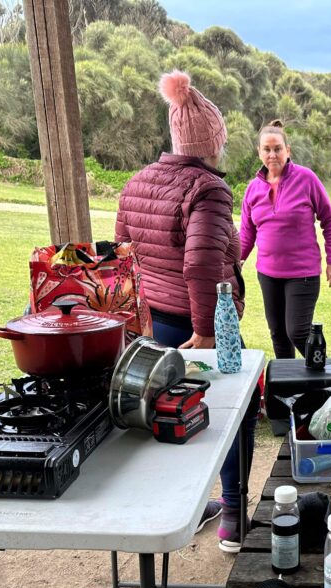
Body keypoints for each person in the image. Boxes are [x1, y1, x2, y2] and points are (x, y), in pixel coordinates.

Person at [115, 69, 256, 553]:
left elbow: (121, 257)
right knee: (230, 414)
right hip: (202, 322)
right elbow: (199, 265)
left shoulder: (136, 183)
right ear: (211, 141)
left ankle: (176, 510)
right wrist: (206, 330)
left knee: (165, 415)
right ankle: (233, 516)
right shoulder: (209, 189)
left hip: (151, 325)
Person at [240, 121, 331, 359]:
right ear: (259, 152)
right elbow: (246, 232)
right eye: (267, 149)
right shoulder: (253, 189)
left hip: (302, 273)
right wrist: (238, 260)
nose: (272, 154)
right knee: (278, 334)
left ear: (288, 150)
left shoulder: (306, 179)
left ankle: (323, 375)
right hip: (267, 274)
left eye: (277, 148)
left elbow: (329, 219)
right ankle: (290, 389)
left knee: (297, 331)